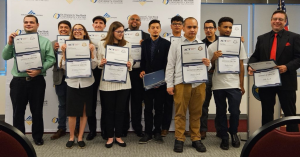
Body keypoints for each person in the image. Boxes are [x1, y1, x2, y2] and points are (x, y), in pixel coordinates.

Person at [2, 15, 56, 145]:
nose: (28, 24)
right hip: (18, 82)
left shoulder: (45, 41)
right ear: (23, 24)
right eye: (26, 22)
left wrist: (40, 69)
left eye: (31, 22)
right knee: (17, 112)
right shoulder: (15, 40)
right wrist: (9, 43)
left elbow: (51, 59)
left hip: (37, 81)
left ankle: (37, 137)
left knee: (37, 111)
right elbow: (5, 56)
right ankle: (19, 139)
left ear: (37, 25)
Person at [248, 10, 300, 132]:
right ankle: (266, 139)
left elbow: (299, 57)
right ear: (271, 21)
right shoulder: (262, 38)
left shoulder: (294, 37)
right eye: (275, 19)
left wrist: (287, 67)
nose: (277, 21)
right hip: (266, 81)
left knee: (289, 113)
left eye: (280, 19)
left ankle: (293, 142)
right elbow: (255, 56)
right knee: (266, 113)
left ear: (285, 21)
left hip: (287, 81)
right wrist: (250, 66)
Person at [166, 17, 210, 153]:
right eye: (189, 27)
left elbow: (208, 66)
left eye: (195, 27)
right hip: (181, 83)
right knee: (180, 113)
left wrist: (209, 64)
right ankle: (179, 139)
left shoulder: (202, 45)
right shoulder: (175, 44)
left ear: (197, 29)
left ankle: (196, 138)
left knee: (196, 113)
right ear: (183, 28)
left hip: (199, 83)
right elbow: (170, 65)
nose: (192, 30)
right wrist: (169, 84)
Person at [208, 17, 247, 150]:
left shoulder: (239, 44)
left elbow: (241, 65)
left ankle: (234, 133)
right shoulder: (212, 46)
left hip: (234, 84)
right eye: (225, 27)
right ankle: (224, 136)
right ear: (218, 28)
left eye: (230, 27)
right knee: (221, 112)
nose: (228, 30)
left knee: (235, 111)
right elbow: (208, 67)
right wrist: (213, 58)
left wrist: (241, 84)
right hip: (218, 84)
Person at [60, 24, 97, 148]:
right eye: (75, 29)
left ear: (84, 32)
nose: (77, 31)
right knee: (72, 113)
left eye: (80, 29)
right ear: (72, 32)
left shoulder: (91, 46)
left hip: (87, 83)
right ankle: (71, 137)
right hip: (72, 83)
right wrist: (64, 53)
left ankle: (80, 137)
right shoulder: (67, 46)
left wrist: (92, 52)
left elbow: (94, 66)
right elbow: (64, 67)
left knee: (84, 112)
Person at [98, 21, 133, 148]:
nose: (121, 34)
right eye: (119, 31)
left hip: (123, 84)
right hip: (107, 83)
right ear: (112, 31)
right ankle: (109, 137)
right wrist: (101, 63)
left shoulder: (127, 43)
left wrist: (130, 64)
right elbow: (98, 61)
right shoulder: (102, 43)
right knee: (108, 111)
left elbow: (131, 59)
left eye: (123, 31)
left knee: (120, 111)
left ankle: (118, 136)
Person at [139, 20, 171, 144]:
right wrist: (142, 70)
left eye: (157, 27)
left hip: (161, 81)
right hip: (147, 80)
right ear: (149, 29)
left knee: (159, 108)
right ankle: (148, 133)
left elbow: (168, 63)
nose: (155, 29)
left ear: (160, 29)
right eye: (153, 27)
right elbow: (143, 60)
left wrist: (160, 80)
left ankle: (157, 132)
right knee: (147, 108)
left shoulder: (166, 44)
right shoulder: (145, 43)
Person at [123, 14, 150, 137]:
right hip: (123, 72)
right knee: (123, 102)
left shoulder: (146, 36)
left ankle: (137, 127)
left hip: (138, 72)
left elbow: (150, 56)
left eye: (137, 20)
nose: (134, 21)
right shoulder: (120, 33)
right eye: (132, 19)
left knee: (137, 101)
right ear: (128, 21)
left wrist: (145, 45)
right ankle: (123, 127)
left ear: (140, 23)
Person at [161, 15, 183, 138]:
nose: (177, 26)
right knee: (168, 104)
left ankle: (184, 128)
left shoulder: (187, 39)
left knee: (184, 105)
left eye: (179, 23)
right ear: (171, 26)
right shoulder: (165, 40)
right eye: (174, 23)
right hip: (168, 75)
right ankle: (165, 127)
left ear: (182, 26)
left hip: (182, 76)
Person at [86, 15, 107, 141]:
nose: (98, 25)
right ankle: (92, 130)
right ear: (93, 25)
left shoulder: (109, 37)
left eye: (100, 23)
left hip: (105, 72)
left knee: (105, 103)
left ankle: (105, 130)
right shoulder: (86, 38)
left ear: (105, 26)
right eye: (96, 23)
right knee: (91, 103)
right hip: (91, 71)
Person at [50, 20, 72, 140]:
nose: (63, 29)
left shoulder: (75, 42)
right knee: (62, 105)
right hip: (60, 78)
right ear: (58, 29)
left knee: (75, 104)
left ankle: (77, 128)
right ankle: (61, 128)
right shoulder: (53, 43)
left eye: (66, 27)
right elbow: (49, 60)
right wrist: (54, 50)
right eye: (61, 27)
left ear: (70, 29)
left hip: (73, 78)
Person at [200, 19, 219, 139]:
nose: (208, 30)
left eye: (211, 28)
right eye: (206, 28)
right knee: (203, 104)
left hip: (220, 76)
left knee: (220, 104)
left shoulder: (223, 42)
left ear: (215, 29)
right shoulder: (200, 44)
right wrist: (213, 58)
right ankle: (202, 130)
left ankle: (220, 130)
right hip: (205, 76)